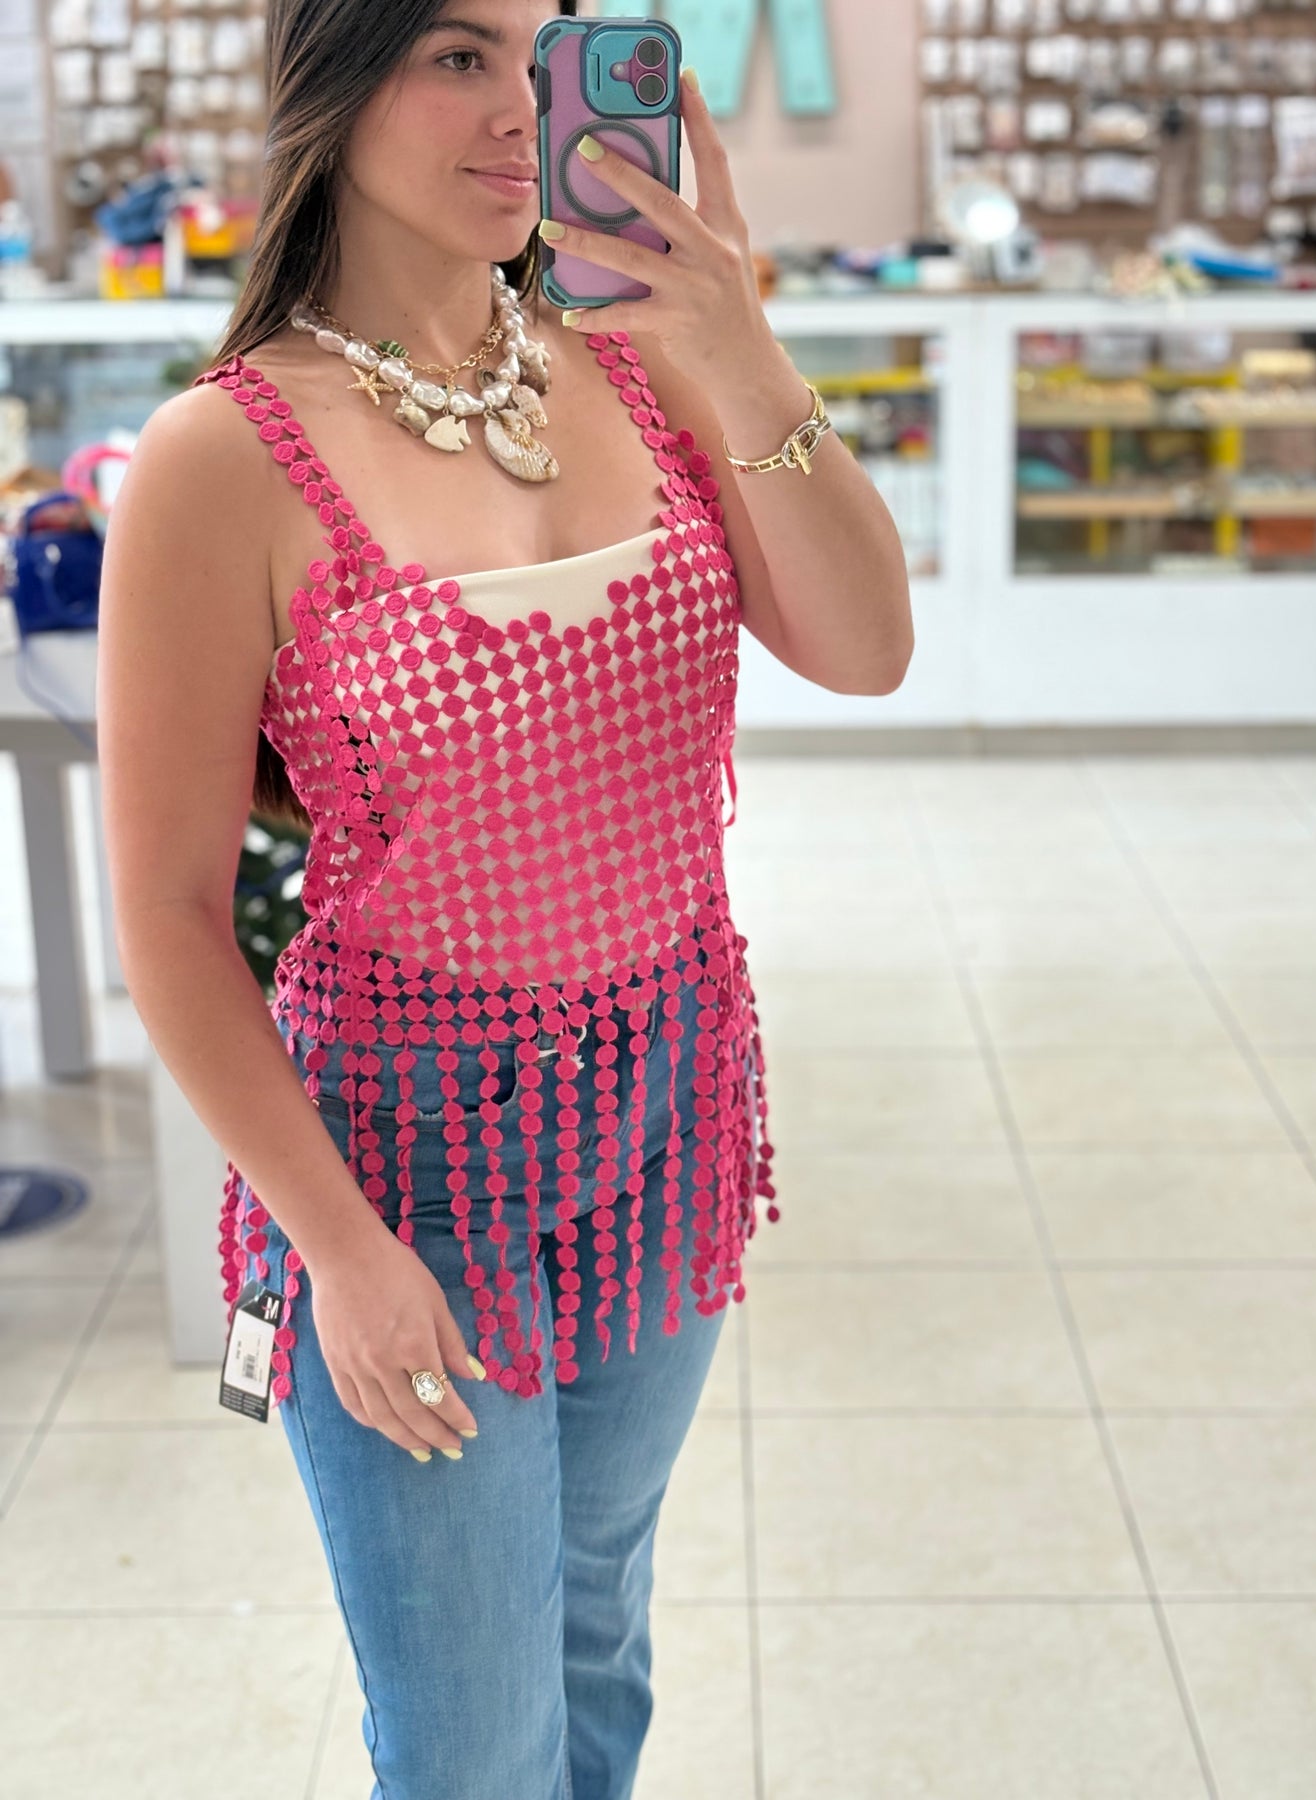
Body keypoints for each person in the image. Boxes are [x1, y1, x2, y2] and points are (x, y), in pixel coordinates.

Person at [97, 2, 912, 1794]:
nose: (513, 115)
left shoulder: (646, 366)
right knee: (470, 1737)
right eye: (454, 57)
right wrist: (335, 1247)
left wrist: (742, 343)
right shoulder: (222, 457)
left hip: (670, 1096)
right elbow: (166, 911)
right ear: (330, 84)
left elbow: (865, 649)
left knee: (595, 1627)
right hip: (403, 1153)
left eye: (539, 63)